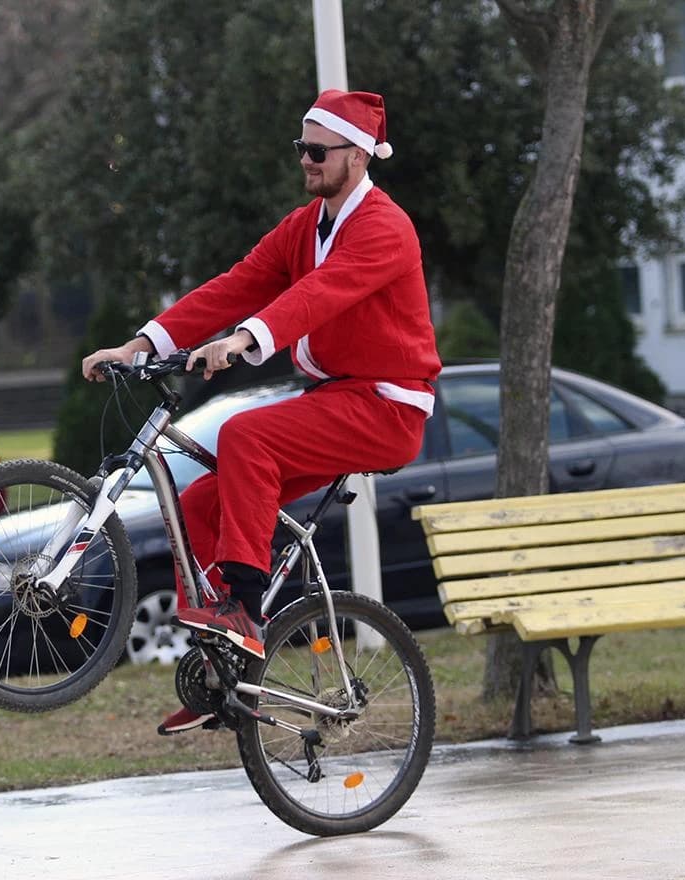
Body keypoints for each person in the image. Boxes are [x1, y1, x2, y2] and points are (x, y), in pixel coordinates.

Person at [81, 89, 441, 735]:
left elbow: (320, 294)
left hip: (387, 406)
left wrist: (244, 340)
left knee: (247, 436)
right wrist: (141, 345)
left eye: (318, 150)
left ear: (357, 156)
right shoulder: (305, 227)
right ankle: (221, 670)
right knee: (200, 504)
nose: (305, 159)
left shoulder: (385, 226)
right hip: (336, 399)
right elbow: (236, 284)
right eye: (301, 147)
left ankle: (244, 610)